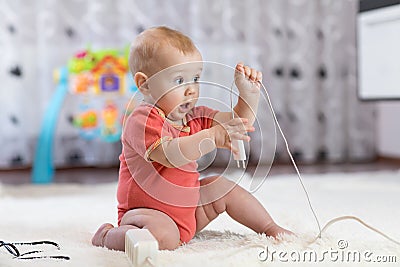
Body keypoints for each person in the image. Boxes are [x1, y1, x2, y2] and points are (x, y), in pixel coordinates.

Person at [92, 26, 292, 251]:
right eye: (179, 81)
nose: (191, 90)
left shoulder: (193, 116)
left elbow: (238, 123)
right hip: (148, 215)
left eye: (195, 78)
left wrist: (248, 96)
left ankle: (270, 228)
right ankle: (107, 235)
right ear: (144, 84)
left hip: (188, 210)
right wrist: (211, 137)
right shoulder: (143, 119)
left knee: (222, 186)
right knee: (164, 237)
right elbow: (170, 155)